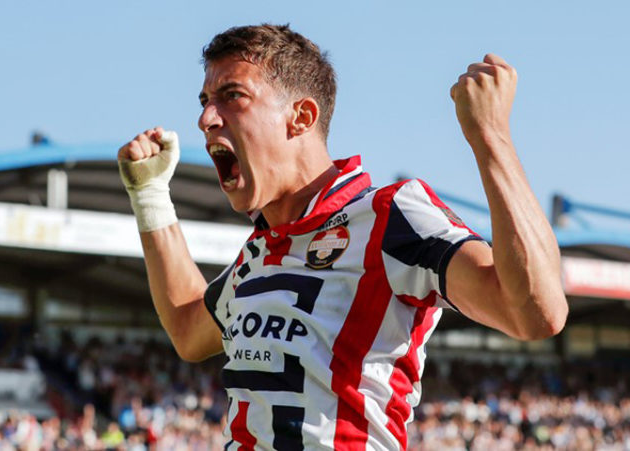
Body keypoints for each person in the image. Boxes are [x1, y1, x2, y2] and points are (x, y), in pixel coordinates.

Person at [117, 24, 568, 450]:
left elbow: (535, 313)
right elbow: (187, 329)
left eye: (232, 95)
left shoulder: (390, 217)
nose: (205, 118)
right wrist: (150, 195)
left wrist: (490, 136)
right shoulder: (260, 251)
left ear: (300, 117)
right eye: (204, 100)